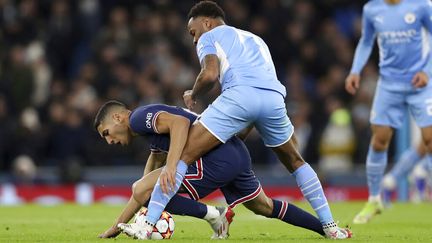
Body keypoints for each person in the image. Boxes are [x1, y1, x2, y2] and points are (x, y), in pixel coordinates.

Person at [139, 1, 351, 240]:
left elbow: (209, 75)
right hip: (273, 98)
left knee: (184, 154)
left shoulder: (211, 35)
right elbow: (259, 91)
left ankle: (147, 224)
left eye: (193, 32)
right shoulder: (257, 39)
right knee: (295, 161)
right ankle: (331, 227)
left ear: (206, 22)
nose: (194, 40)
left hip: (239, 94)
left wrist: (193, 93)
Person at [94, 100, 338, 239]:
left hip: (215, 158)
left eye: (106, 133)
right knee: (264, 206)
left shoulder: (138, 118)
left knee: (147, 189)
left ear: (117, 118)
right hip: (235, 153)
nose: (109, 141)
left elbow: (179, 124)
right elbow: (146, 181)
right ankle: (327, 230)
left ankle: (214, 214)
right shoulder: (149, 131)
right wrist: (117, 227)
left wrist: (172, 166)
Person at [345, 0, 432, 224]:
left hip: (420, 84)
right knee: (379, 140)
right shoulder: (372, 9)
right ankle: (375, 199)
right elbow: (365, 42)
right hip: (388, 85)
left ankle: (413, 180)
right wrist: (355, 70)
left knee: (430, 139)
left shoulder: (421, 6)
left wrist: (427, 71)